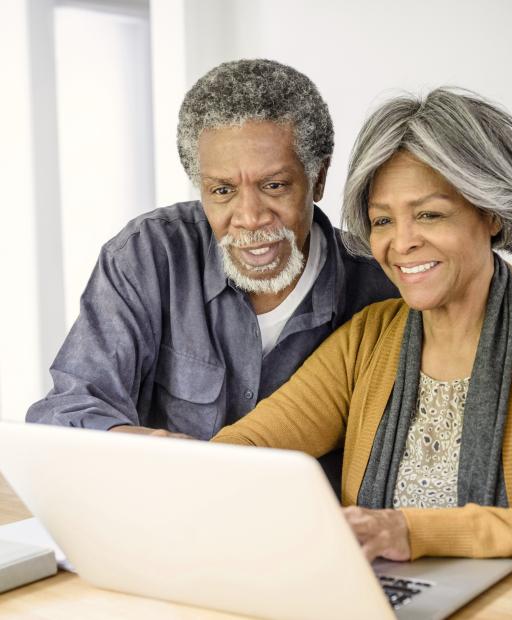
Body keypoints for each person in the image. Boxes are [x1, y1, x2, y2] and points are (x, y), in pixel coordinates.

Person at [212, 88, 512, 567]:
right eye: (382, 220)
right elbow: (240, 453)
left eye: (429, 214)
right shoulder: (366, 341)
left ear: (490, 213)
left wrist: (416, 531)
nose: (401, 243)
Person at [26, 59, 398, 490]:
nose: (250, 217)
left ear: (318, 179)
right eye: (222, 191)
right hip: (166, 521)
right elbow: (65, 409)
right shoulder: (150, 256)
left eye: (274, 185)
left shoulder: (380, 287)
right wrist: (137, 443)